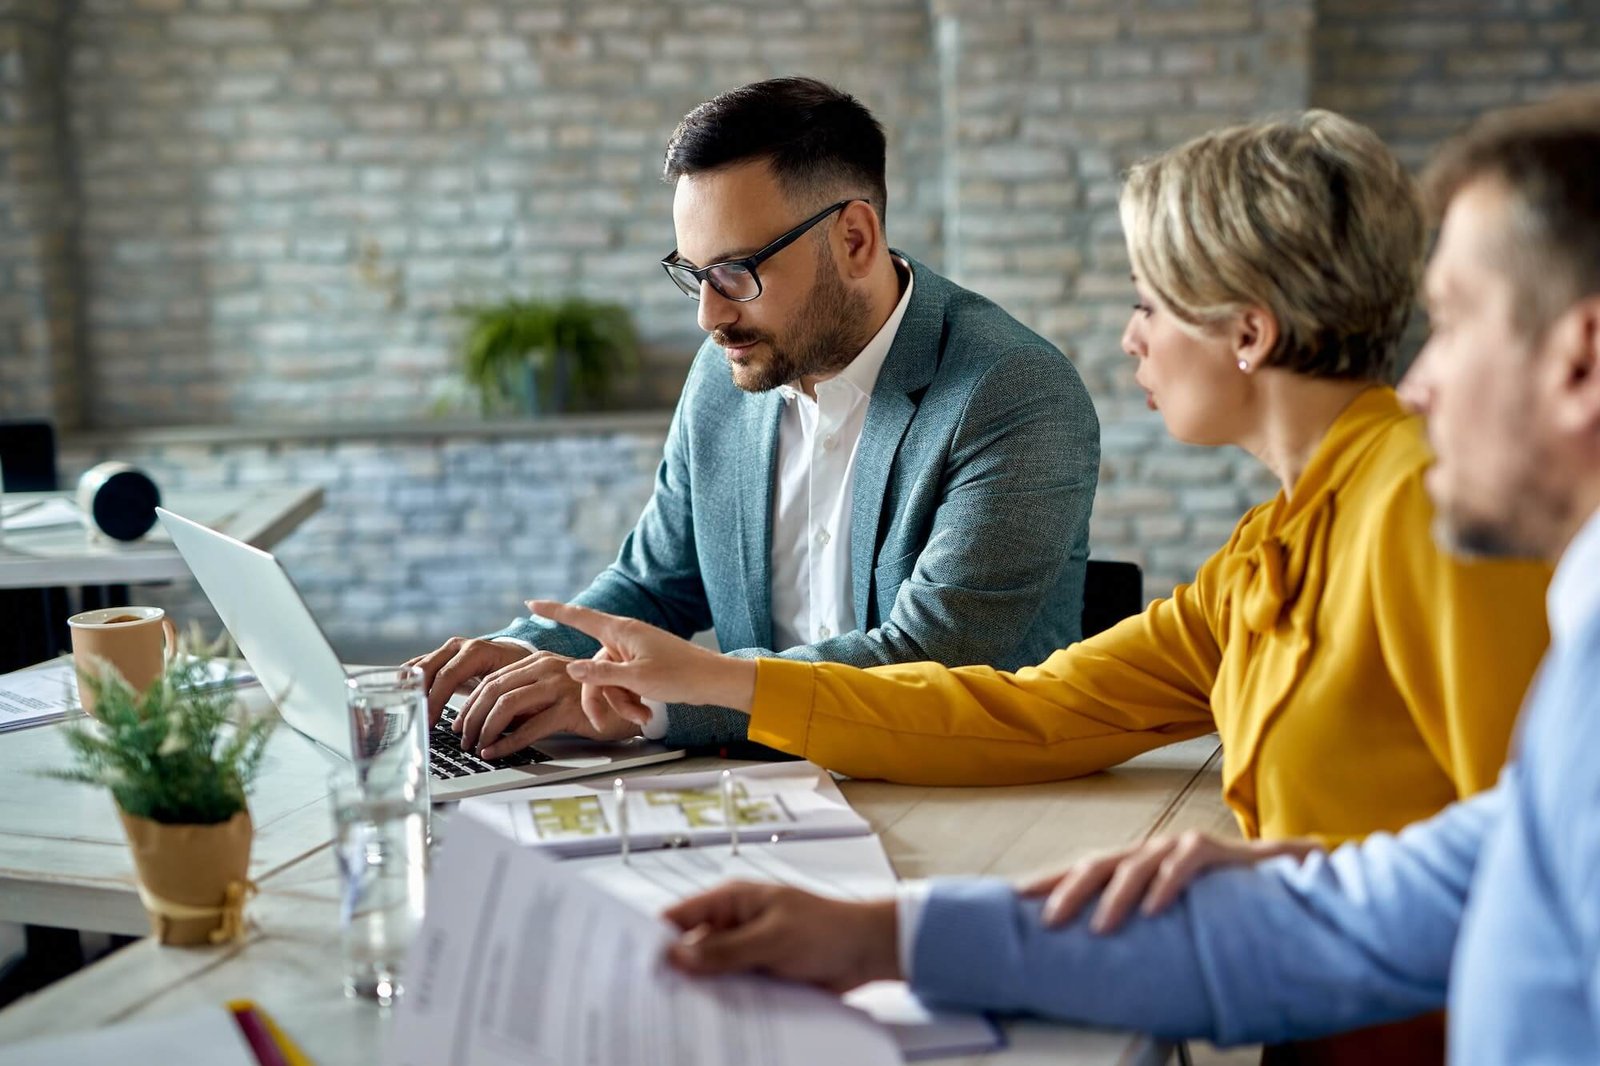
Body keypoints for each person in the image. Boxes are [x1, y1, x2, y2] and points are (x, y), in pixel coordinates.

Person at [568, 92, 1600, 1065]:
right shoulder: (1276, 542)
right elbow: (1040, 709)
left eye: (1152, 301)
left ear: (1248, 332)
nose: (1129, 335)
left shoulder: (1420, 505)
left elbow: (1528, 895)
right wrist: (721, 683)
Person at [408, 76, 1099, 756]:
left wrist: (642, 703)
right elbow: (656, 583)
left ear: (854, 239)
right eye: (694, 273)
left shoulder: (1012, 391)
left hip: (963, 795)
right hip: (764, 794)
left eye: (737, 270)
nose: (709, 316)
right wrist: (524, 653)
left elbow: (926, 664)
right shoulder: (725, 373)